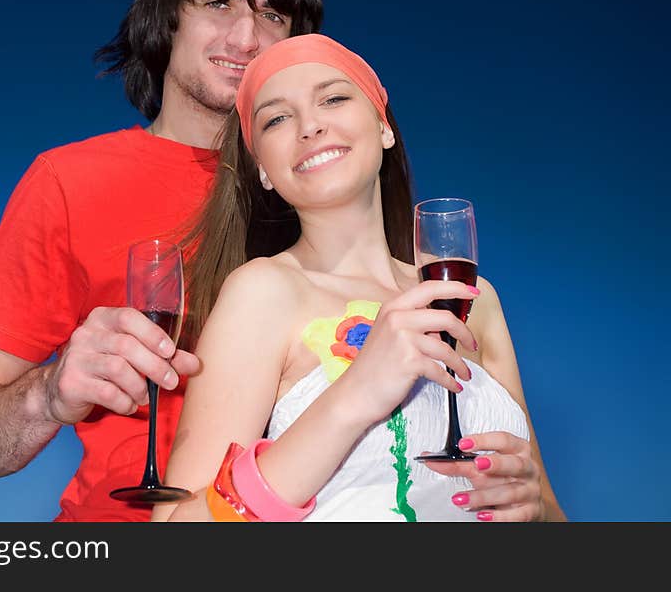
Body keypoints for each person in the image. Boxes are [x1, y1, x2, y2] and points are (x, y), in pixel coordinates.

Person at [0, 0, 323, 522]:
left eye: (273, 14)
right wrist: (50, 392)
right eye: (219, 2)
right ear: (167, 16)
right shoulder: (70, 182)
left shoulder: (322, 185)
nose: (247, 38)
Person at [151, 34, 567, 522]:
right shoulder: (262, 293)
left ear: (384, 127)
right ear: (262, 168)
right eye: (277, 119)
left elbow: (551, 514)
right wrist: (355, 395)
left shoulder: (473, 299)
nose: (310, 126)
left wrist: (535, 510)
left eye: (333, 98)